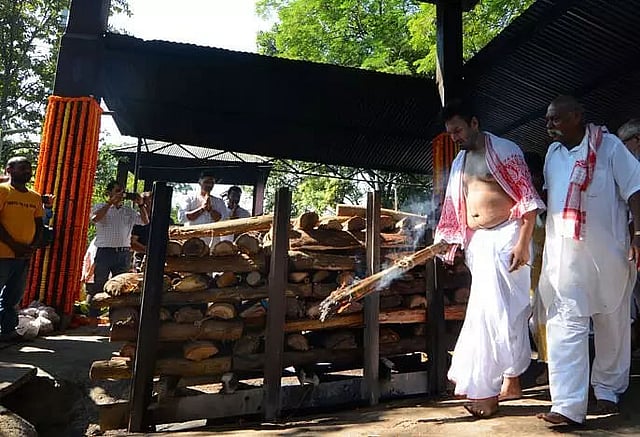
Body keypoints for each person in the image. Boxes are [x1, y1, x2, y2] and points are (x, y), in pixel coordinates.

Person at [434, 100, 545, 418]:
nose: (455, 137)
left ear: (474, 123)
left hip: (508, 236)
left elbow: (527, 199)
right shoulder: (460, 161)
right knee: (494, 314)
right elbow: (456, 204)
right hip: (480, 242)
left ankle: (488, 390)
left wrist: (522, 244)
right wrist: (450, 240)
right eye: (450, 133)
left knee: (499, 314)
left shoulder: (505, 151)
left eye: (458, 130)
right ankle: (509, 381)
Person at [537, 96, 640, 426]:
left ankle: (608, 389)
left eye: (555, 119)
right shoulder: (552, 155)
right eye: (548, 119)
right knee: (565, 324)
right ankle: (567, 405)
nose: (549, 125)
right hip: (565, 260)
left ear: (577, 116)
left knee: (612, 324)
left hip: (609, 254)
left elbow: (636, 190)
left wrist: (638, 235)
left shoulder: (610, 147)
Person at [89, 181, 148, 319]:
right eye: (117, 191)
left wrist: (141, 204)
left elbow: (145, 221)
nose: (120, 194)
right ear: (108, 193)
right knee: (99, 284)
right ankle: (93, 319)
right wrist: (110, 203)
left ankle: (115, 319)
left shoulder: (128, 210)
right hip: (105, 252)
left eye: (122, 191)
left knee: (121, 287)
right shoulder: (100, 207)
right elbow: (95, 218)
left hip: (123, 253)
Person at [0, 157, 44, 342]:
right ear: (9, 170)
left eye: (29, 168)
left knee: (13, 297)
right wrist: (14, 245)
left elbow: (39, 224)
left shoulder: (35, 197)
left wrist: (32, 247)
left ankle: (8, 331)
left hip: (23, 257)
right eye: (22, 168)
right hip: (2, 254)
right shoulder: (3, 191)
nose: (27, 171)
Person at [178, 171, 228, 249]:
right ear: (200, 182)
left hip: (213, 246)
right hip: (192, 245)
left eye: (212, 183)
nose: (209, 185)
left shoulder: (219, 201)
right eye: (206, 182)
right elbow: (182, 218)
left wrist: (210, 210)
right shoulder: (189, 198)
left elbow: (223, 220)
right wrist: (202, 209)